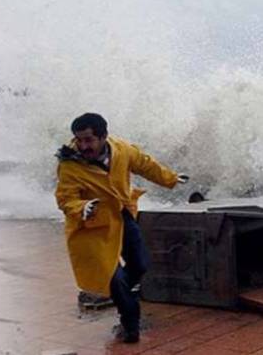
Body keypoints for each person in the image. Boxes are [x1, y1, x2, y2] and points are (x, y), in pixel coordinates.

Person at [54, 112, 187, 344]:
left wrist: (171, 179)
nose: (83, 145)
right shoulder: (69, 165)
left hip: (122, 215)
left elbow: (145, 164)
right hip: (92, 227)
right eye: (79, 140)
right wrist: (82, 207)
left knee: (140, 263)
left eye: (88, 140)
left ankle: (119, 292)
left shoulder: (121, 150)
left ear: (104, 136)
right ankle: (130, 323)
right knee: (114, 278)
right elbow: (65, 199)